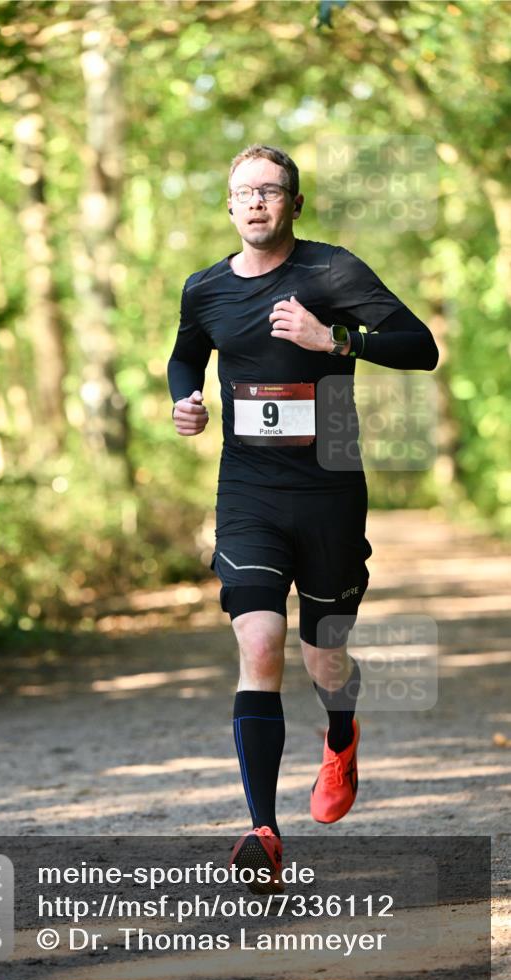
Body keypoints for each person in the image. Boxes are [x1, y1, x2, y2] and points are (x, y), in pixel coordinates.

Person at [167, 144, 439, 893]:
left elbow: (422, 349)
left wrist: (336, 339)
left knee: (325, 656)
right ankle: (262, 830)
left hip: (326, 491)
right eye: (241, 191)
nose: (254, 202)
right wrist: (182, 400)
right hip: (247, 492)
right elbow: (184, 357)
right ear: (227, 206)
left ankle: (341, 734)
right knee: (258, 642)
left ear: (293, 203)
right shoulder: (206, 289)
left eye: (270, 190)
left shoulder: (332, 273)